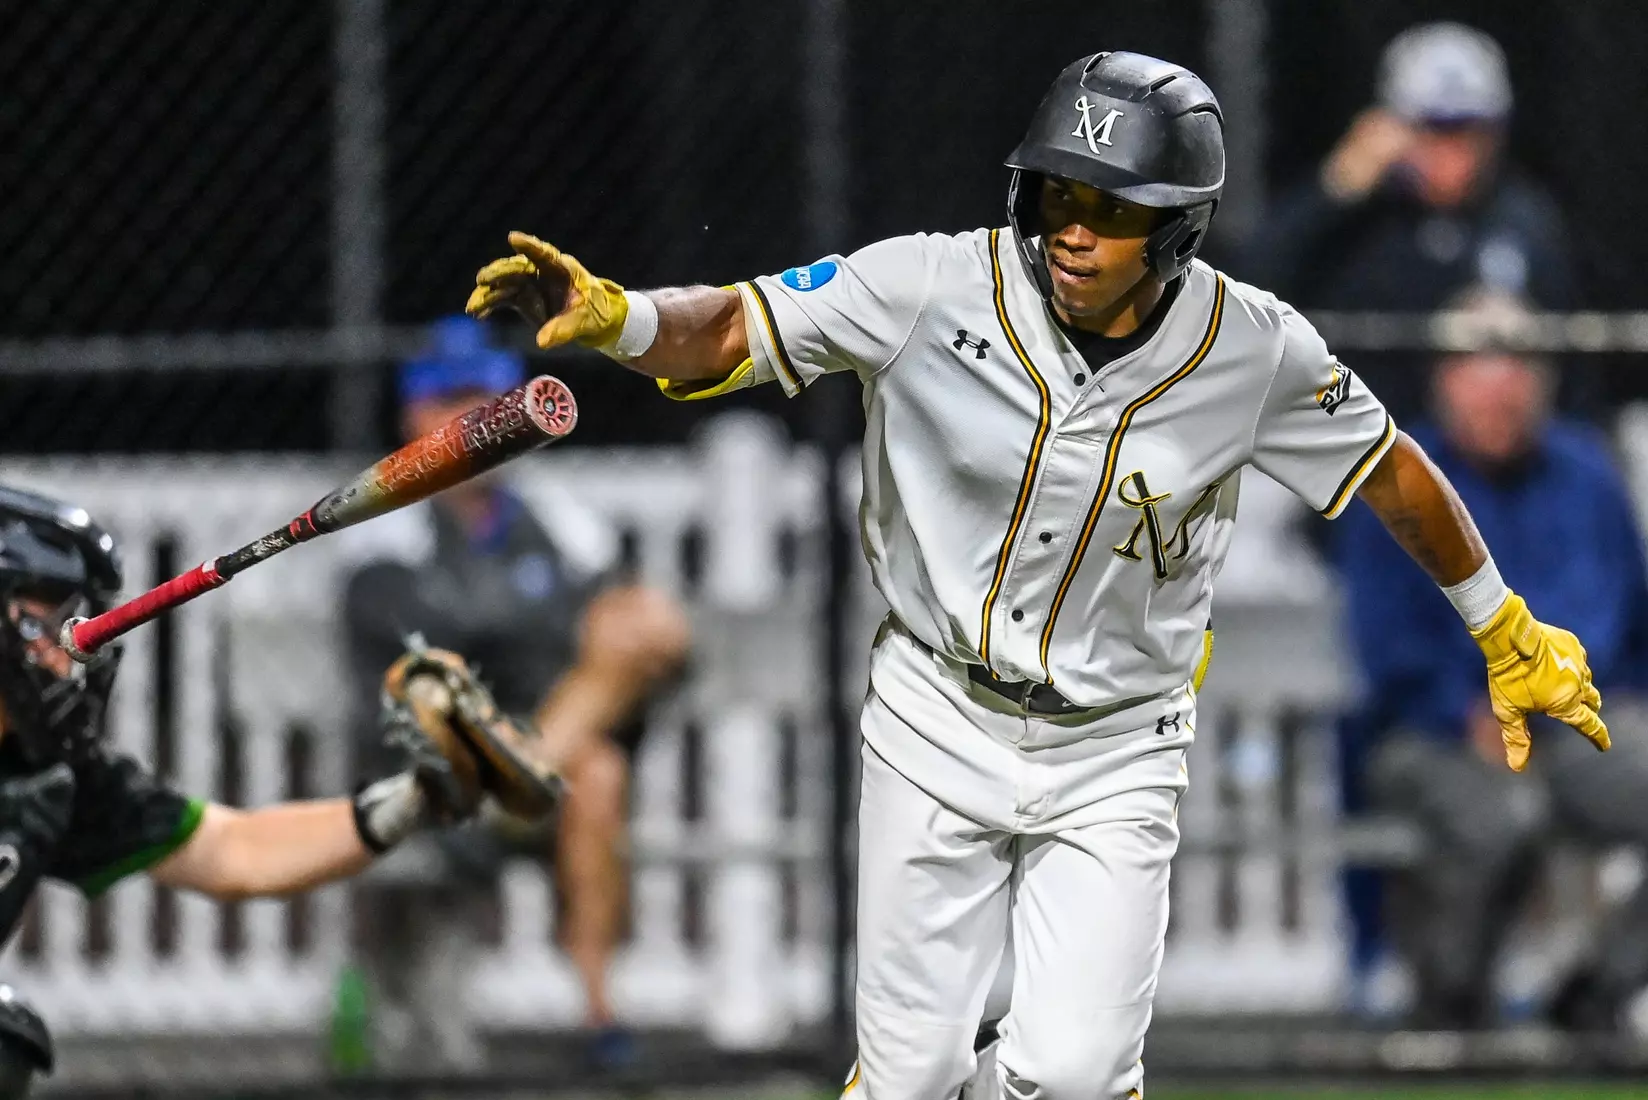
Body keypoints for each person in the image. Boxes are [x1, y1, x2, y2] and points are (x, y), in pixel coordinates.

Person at [466, 50, 1607, 1100]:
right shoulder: (926, 287)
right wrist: (621, 319)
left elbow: (1391, 470)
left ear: (1175, 231)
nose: (1072, 227)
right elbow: (731, 329)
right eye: (1058, 191)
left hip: (1118, 739)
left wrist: (1501, 625)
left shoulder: (1253, 345)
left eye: (1108, 207)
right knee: (907, 1081)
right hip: (935, 709)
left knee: (1072, 1075)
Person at [0, 483, 547, 1098]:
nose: (63, 659)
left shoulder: (48, 776)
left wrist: (419, 797)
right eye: (42, 622)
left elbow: (237, 851)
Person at [339, 316, 690, 1069]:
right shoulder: (383, 526)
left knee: (603, 752)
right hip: (434, 773)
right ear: (416, 416)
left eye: (493, 402)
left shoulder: (557, 519)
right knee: (583, 743)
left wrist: (605, 630)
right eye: (455, 401)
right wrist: (558, 629)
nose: (479, 422)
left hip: (540, 760)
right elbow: (427, 669)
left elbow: (635, 631)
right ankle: (519, 774)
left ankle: (598, 1012)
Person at [1334, 289, 1648, 1031]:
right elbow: (1383, 643)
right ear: (1445, 381)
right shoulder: (1395, 480)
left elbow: (1623, 611)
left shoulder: (1585, 473)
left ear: (1543, 383)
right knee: (1501, 817)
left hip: (1570, 717)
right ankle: (1450, 1008)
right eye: (1482, 376)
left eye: (1519, 376)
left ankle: (1600, 992)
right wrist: (1460, 705)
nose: (1502, 393)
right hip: (1435, 727)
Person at [1243, 22, 1578, 424]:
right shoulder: (1354, 219)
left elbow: (1575, 373)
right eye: (1432, 128)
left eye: (1467, 129)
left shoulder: (1523, 221)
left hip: (1485, 461)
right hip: (1352, 438)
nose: (1451, 150)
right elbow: (1246, 290)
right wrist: (1332, 191)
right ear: (1388, 128)